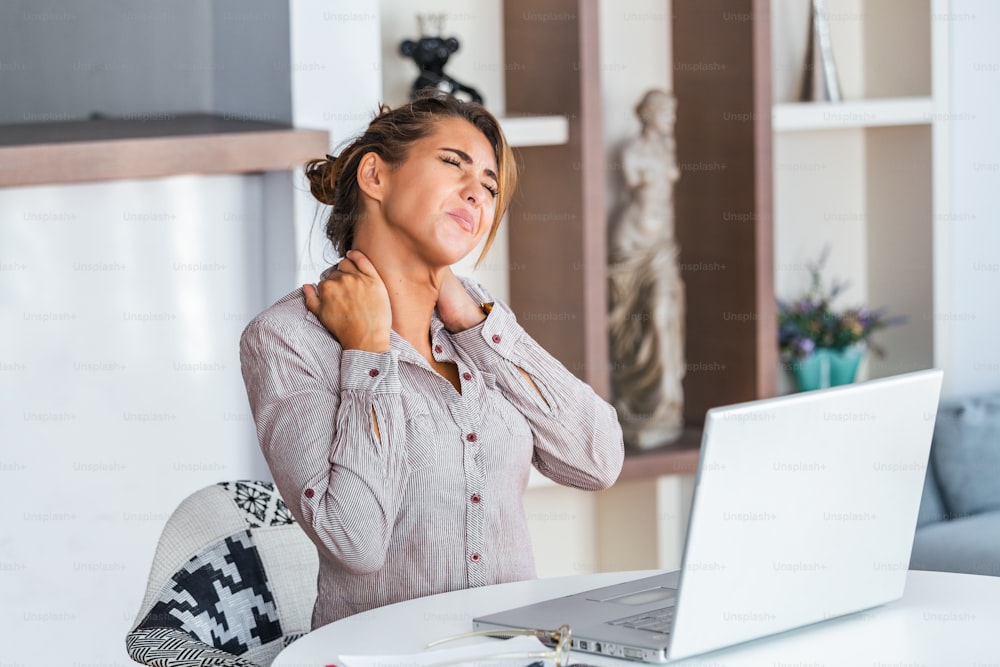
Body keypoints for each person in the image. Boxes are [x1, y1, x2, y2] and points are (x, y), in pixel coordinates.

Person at [239, 92, 624, 629]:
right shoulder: (286, 339)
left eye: (490, 187)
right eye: (453, 163)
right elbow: (356, 541)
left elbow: (597, 461)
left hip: (511, 656)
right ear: (375, 176)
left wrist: (477, 326)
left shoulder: (479, 324)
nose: (478, 194)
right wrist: (366, 351)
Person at [608, 89, 686, 448]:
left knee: (662, 314)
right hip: (633, 240)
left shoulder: (665, 149)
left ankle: (664, 405)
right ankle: (636, 400)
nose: (672, 121)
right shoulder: (633, 153)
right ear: (650, 116)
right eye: (667, 114)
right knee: (631, 319)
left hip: (662, 247)